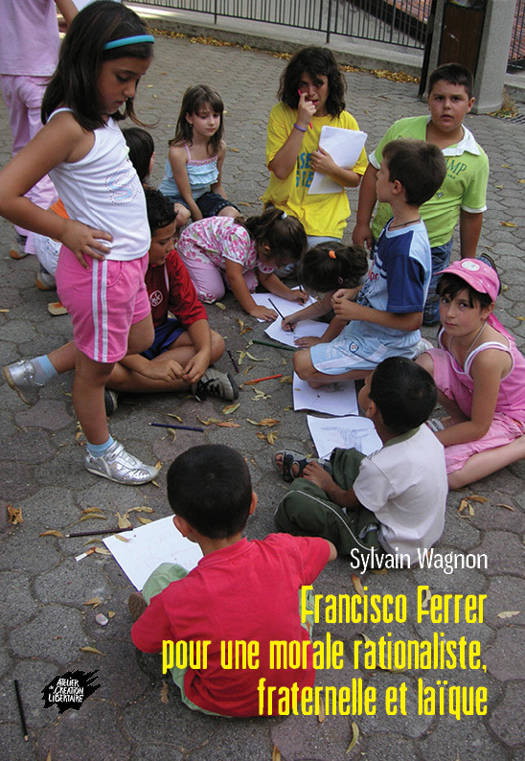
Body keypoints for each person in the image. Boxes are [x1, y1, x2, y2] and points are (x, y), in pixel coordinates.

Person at [0, 1, 159, 485]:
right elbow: (5, 193)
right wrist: (64, 229)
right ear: (88, 65)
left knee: (141, 340)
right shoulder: (67, 127)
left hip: (127, 266)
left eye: (137, 80)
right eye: (123, 78)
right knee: (95, 371)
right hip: (103, 272)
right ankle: (100, 451)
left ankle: (41, 368)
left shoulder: (100, 117)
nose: (130, 91)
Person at [129, 444, 337, 717]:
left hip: (215, 700)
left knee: (164, 575)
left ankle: (166, 621)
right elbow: (329, 550)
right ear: (253, 503)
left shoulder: (178, 598)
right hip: (293, 691)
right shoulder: (283, 551)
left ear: (182, 526)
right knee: (302, 586)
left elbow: (143, 642)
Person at [3, 188, 239, 411]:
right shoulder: (115, 273)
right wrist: (148, 367)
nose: (171, 247)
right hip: (122, 345)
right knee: (105, 370)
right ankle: (193, 382)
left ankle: (126, 389)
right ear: (138, 238)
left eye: (172, 238)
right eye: (162, 242)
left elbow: (191, 309)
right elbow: (103, 338)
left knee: (214, 343)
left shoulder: (169, 260)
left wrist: (203, 353)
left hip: (158, 333)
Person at [293, 139, 446, 387]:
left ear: (396, 187)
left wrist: (357, 312)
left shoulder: (405, 252)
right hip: (370, 327)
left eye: (381, 173)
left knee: (303, 367)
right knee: (312, 368)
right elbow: (379, 278)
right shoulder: (395, 225)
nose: (375, 177)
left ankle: (398, 364)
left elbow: (412, 320)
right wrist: (354, 292)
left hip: (386, 340)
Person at [274, 357, 447, 567]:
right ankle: (320, 477)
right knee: (349, 457)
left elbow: (348, 499)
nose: (362, 386)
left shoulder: (382, 466)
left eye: (365, 384)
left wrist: (328, 485)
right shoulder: (426, 436)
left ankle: (318, 488)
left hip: (387, 545)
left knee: (296, 501)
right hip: (416, 526)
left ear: (371, 409)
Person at [353, 63, 489, 326]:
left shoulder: (476, 158)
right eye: (439, 98)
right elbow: (372, 173)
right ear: (428, 99)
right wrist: (361, 223)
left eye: (456, 99)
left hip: (433, 246)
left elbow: (472, 214)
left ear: (470, 104)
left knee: (423, 314)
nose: (446, 106)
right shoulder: (402, 130)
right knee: (377, 293)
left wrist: (467, 267)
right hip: (386, 233)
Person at [416, 259, 525, 490]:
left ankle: (519, 446)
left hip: (510, 417)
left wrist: (426, 441)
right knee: (425, 365)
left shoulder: (489, 356)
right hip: (478, 399)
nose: (450, 313)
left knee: (448, 471)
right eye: (446, 300)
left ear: (486, 310)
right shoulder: (449, 331)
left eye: (463, 305)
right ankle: (458, 421)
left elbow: (479, 426)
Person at [262, 46, 368, 251]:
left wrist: (332, 169)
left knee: (319, 266)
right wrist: (301, 123)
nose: (310, 93)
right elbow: (281, 170)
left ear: (330, 84)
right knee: (278, 261)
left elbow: (355, 179)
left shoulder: (345, 122)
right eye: (304, 84)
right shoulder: (281, 114)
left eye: (318, 84)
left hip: (325, 222)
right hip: (285, 214)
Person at [33, 126, 156, 293]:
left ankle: (49, 275)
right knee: (109, 258)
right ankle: (74, 289)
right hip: (64, 247)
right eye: (151, 156)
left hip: (43, 239)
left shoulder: (97, 177)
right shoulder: (129, 194)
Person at [0, 0, 78, 259]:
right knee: (47, 163)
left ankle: (23, 234)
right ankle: (43, 250)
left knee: (22, 151)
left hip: (9, 69)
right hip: (40, 69)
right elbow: (77, 21)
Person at [176, 206, 308, 321]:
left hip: (219, 254)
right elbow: (234, 276)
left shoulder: (264, 244)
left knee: (249, 286)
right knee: (212, 292)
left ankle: (215, 272)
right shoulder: (239, 237)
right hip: (196, 247)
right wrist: (252, 308)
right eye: (280, 264)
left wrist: (289, 293)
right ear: (266, 249)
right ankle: (176, 279)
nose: (279, 268)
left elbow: (266, 277)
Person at [158, 84, 239, 223]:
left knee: (231, 215)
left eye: (216, 116)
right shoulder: (178, 152)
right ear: (189, 118)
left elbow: (217, 186)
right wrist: (200, 222)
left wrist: (228, 209)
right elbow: (186, 195)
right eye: (204, 116)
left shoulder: (219, 147)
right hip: (175, 198)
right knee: (181, 215)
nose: (212, 122)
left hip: (202, 197)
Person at [281, 241, 369, 348]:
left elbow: (341, 318)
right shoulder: (341, 269)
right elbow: (324, 305)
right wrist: (295, 317)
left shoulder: (352, 287)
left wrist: (322, 341)